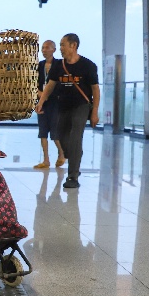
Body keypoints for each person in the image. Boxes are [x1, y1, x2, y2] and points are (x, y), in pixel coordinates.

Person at [35, 33, 100, 189]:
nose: (61, 48)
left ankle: (73, 176)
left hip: (81, 106)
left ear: (73, 45)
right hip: (63, 106)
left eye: (63, 45)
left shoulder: (87, 65)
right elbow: (50, 85)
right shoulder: (59, 66)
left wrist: (95, 112)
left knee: (75, 137)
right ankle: (74, 155)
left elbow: (95, 89)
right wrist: (41, 101)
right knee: (61, 138)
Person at [34, 40, 65, 169]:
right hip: (42, 102)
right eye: (43, 47)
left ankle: (61, 153)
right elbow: (33, 82)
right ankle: (46, 159)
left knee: (55, 131)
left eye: (47, 47)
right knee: (42, 131)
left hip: (55, 102)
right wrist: (39, 94)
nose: (44, 50)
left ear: (54, 49)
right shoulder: (39, 66)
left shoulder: (59, 65)